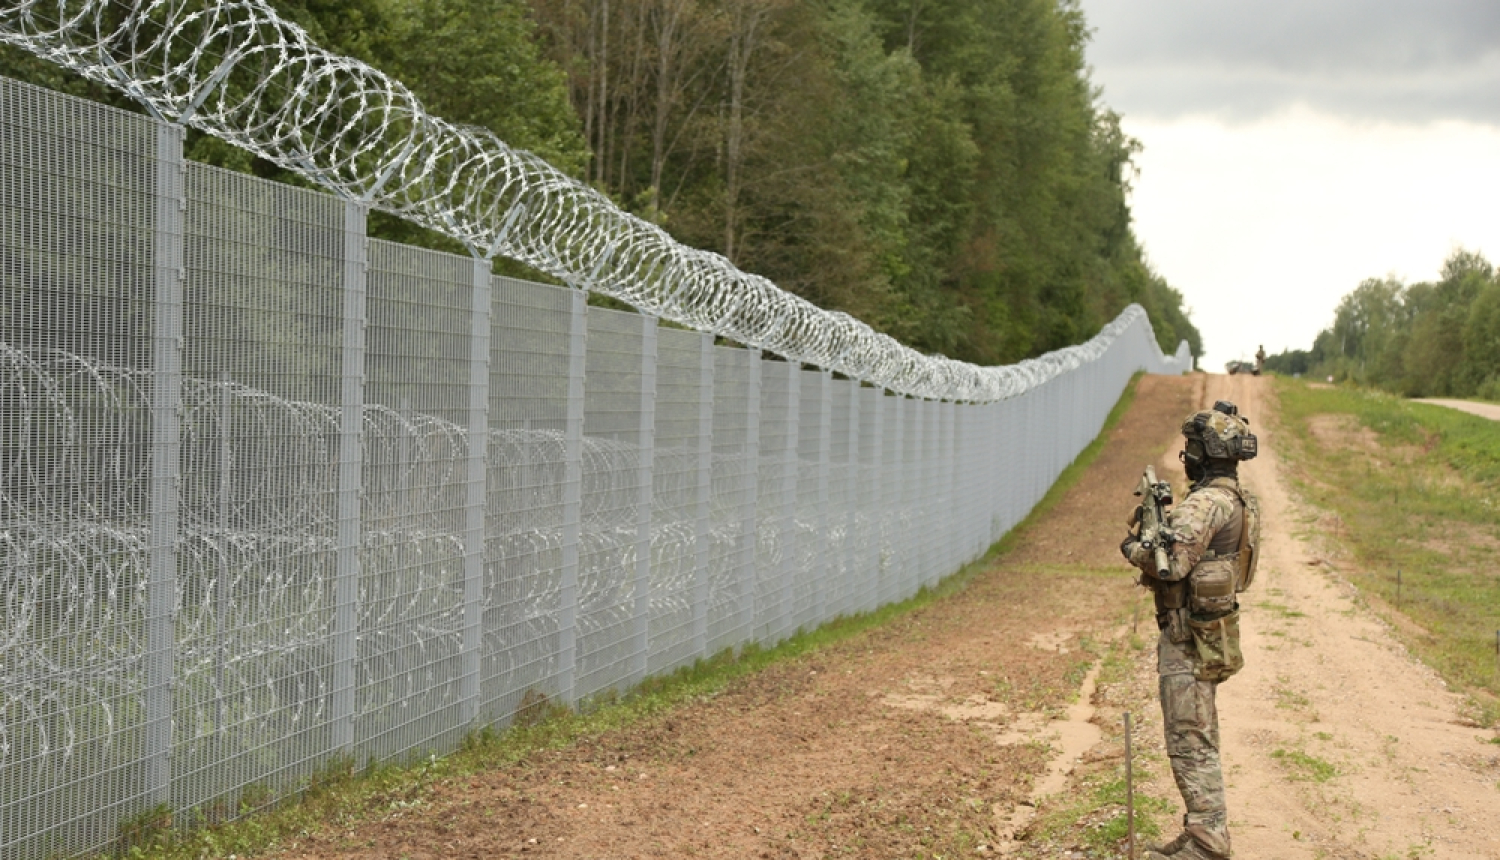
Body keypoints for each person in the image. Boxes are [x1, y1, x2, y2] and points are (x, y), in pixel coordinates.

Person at [1120, 401, 1260, 860]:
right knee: (1198, 733)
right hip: (1206, 633)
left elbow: (1171, 563)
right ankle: (1204, 829)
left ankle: (1207, 843)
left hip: (1188, 638)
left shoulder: (1206, 503)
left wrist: (1134, 546)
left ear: (1203, 452)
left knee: (1189, 740)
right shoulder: (1236, 498)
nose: (1187, 456)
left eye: (1191, 448)